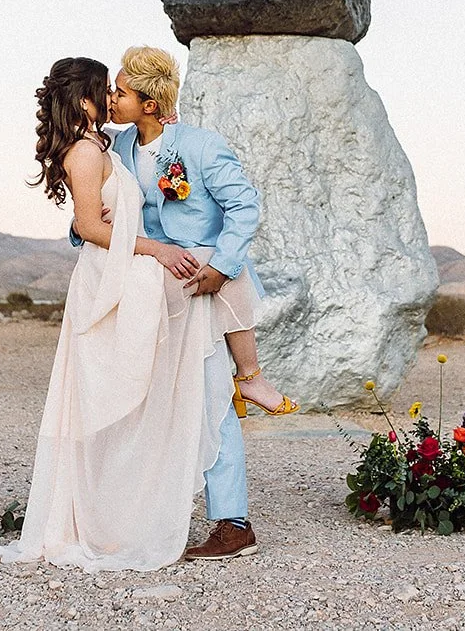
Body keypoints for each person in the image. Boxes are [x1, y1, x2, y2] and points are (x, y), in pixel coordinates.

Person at [0, 57, 234, 570]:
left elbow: (111, 215)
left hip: (125, 267)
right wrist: (159, 250)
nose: (113, 99)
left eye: (120, 91)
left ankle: (234, 382)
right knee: (102, 396)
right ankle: (244, 375)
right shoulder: (84, 151)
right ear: (84, 101)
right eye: (106, 91)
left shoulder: (106, 145)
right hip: (109, 276)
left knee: (200, 309)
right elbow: (90, 229)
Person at [100, 45, 294, 560]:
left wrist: (220, 267)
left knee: (209, 399)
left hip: (202, 292)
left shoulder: (201, 147)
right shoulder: (113, 151)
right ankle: (139, 512)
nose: (112, 99)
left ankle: (233, 523)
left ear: (147, 102)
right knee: (146, 403)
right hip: (147, 295)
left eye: (120, 92)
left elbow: (244, 206)